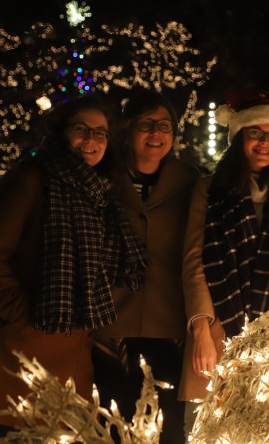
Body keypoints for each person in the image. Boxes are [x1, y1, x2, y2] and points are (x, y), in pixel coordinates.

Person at [0, 94, 148, 444]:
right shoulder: (31, 179)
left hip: (69, 354)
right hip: (14, 353)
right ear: (59, 133)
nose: (92, 140)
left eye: (101, 132)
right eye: (81, 129)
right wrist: (21, 317)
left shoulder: (98, 192)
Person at [178, 95, 269, 434]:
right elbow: (194, 262)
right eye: (256, 132)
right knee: (209, 429)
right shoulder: (209, 189)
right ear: (239, 137)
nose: (265, 142)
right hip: (219, 327)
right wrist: (201, 329)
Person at [93, 89, 198, 444]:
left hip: (166, 323)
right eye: (147, 124)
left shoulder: (190, 183)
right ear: (127, 130)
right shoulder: (101, 178)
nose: (157, 133)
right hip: (110, 323)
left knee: (166, 427)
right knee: (112, 423)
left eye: (165, 125)